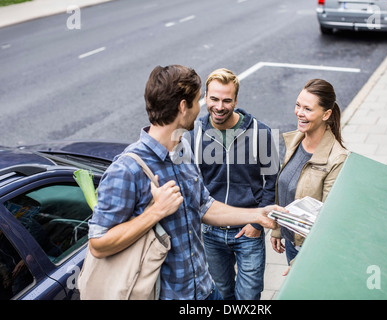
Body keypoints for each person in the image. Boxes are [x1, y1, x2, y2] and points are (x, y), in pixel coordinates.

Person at [87, 65, 281, 300]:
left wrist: (257, 214)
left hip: (205, 290)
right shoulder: (128, 169)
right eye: (199, 100)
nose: (202, 107)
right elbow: (98, 244)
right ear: (182, 106)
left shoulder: (183, 147)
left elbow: (204, 206)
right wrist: (155, 212)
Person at [189, 68, 279, 300]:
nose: (219, 106)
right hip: (211, 233)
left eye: (227, 100)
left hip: (248, 231)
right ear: (205, 97)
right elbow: (191, 183)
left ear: (236, 100)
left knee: (248, 297)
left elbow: (272, 181)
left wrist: (256, 225)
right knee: (220, 294)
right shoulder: (194, 134)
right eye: (214, 99)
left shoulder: (260, 132)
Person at [270, 79, 348, 271]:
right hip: (291, 242)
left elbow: (328, 219)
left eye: (307, 109)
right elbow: (285, 187)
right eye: (298, 105)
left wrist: (300, 263)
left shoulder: (337, 159)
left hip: (310, 250)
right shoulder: (295, 140)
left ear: (326, 114)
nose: (299, 113)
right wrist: (278, 229)